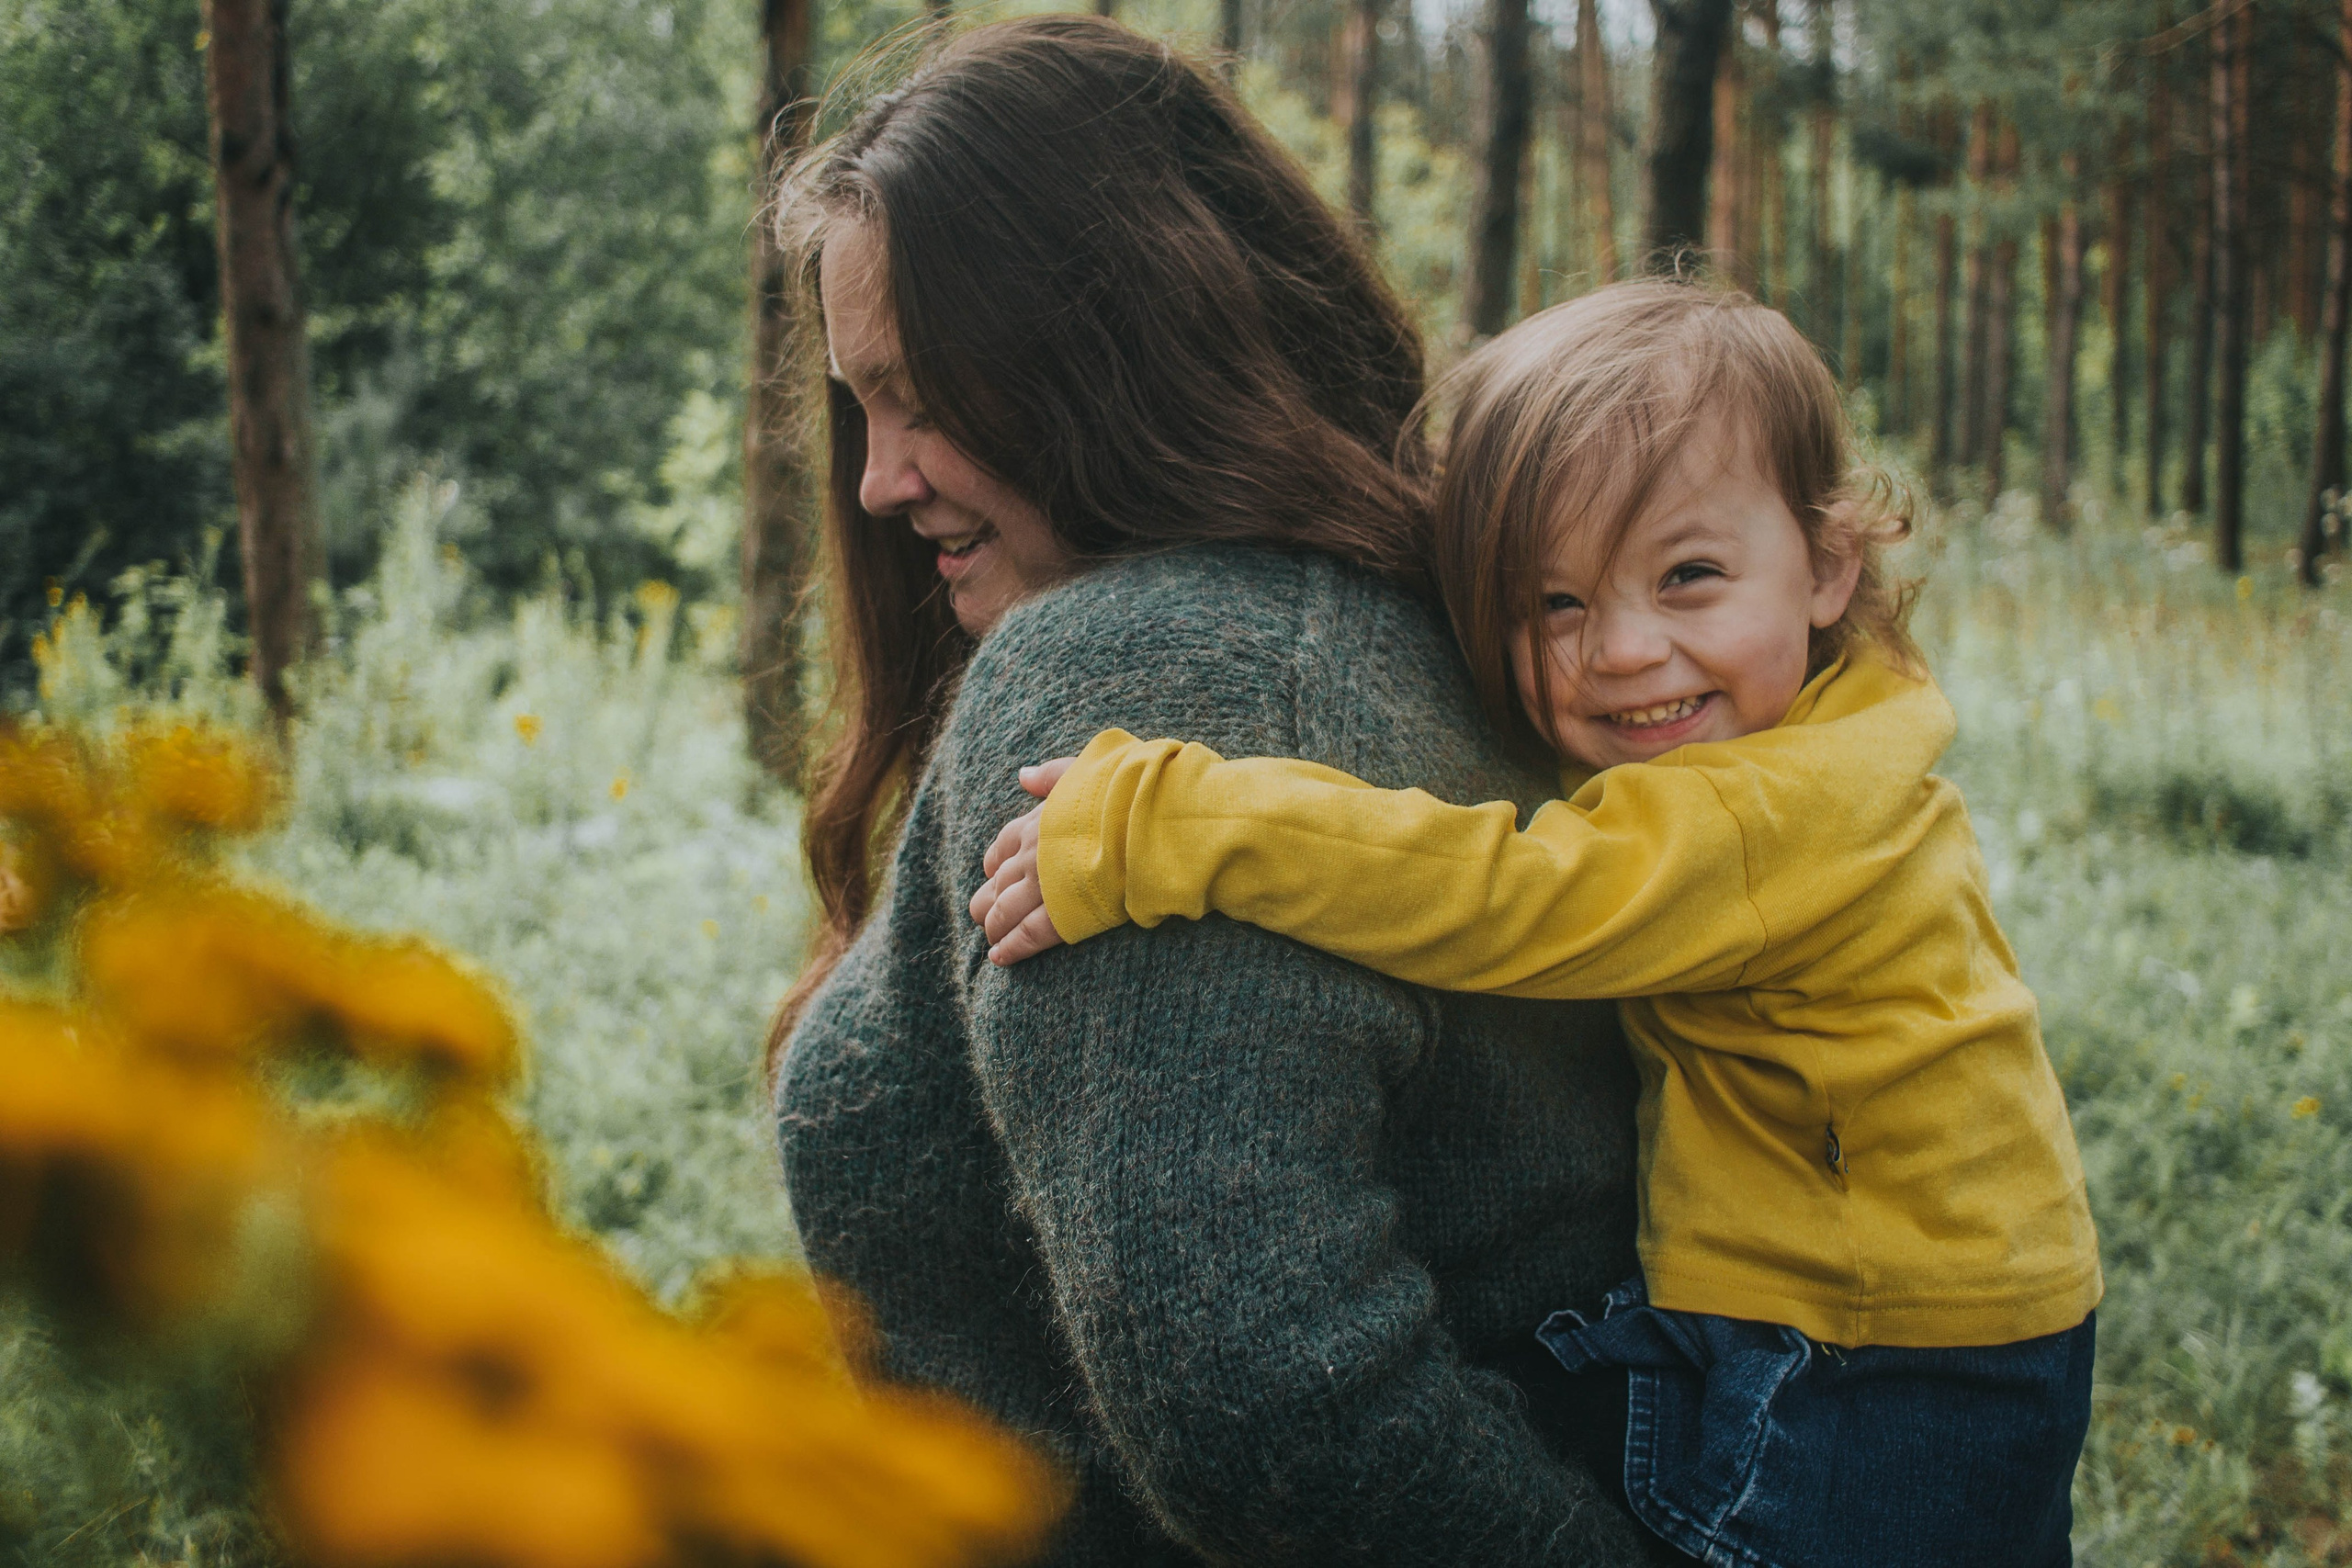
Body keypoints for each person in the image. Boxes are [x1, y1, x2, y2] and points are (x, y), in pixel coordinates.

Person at [971, 281, 2103, 1567]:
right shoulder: (1849, 718)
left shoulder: (1768, 817)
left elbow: (1507, 895)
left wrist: (1184, 823)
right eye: (1553, 604)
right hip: (1941, 1309)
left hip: (1871, 1353)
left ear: (1829, 563)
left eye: (1689, 576)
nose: (1621, 650)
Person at [768, 17, 1662, 1565]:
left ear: (1101, 346)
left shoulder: (1151, 672)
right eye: (861, 407)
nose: (877, 478)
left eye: (922, 397)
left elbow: (1267, 1397)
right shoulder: (1350, 617)